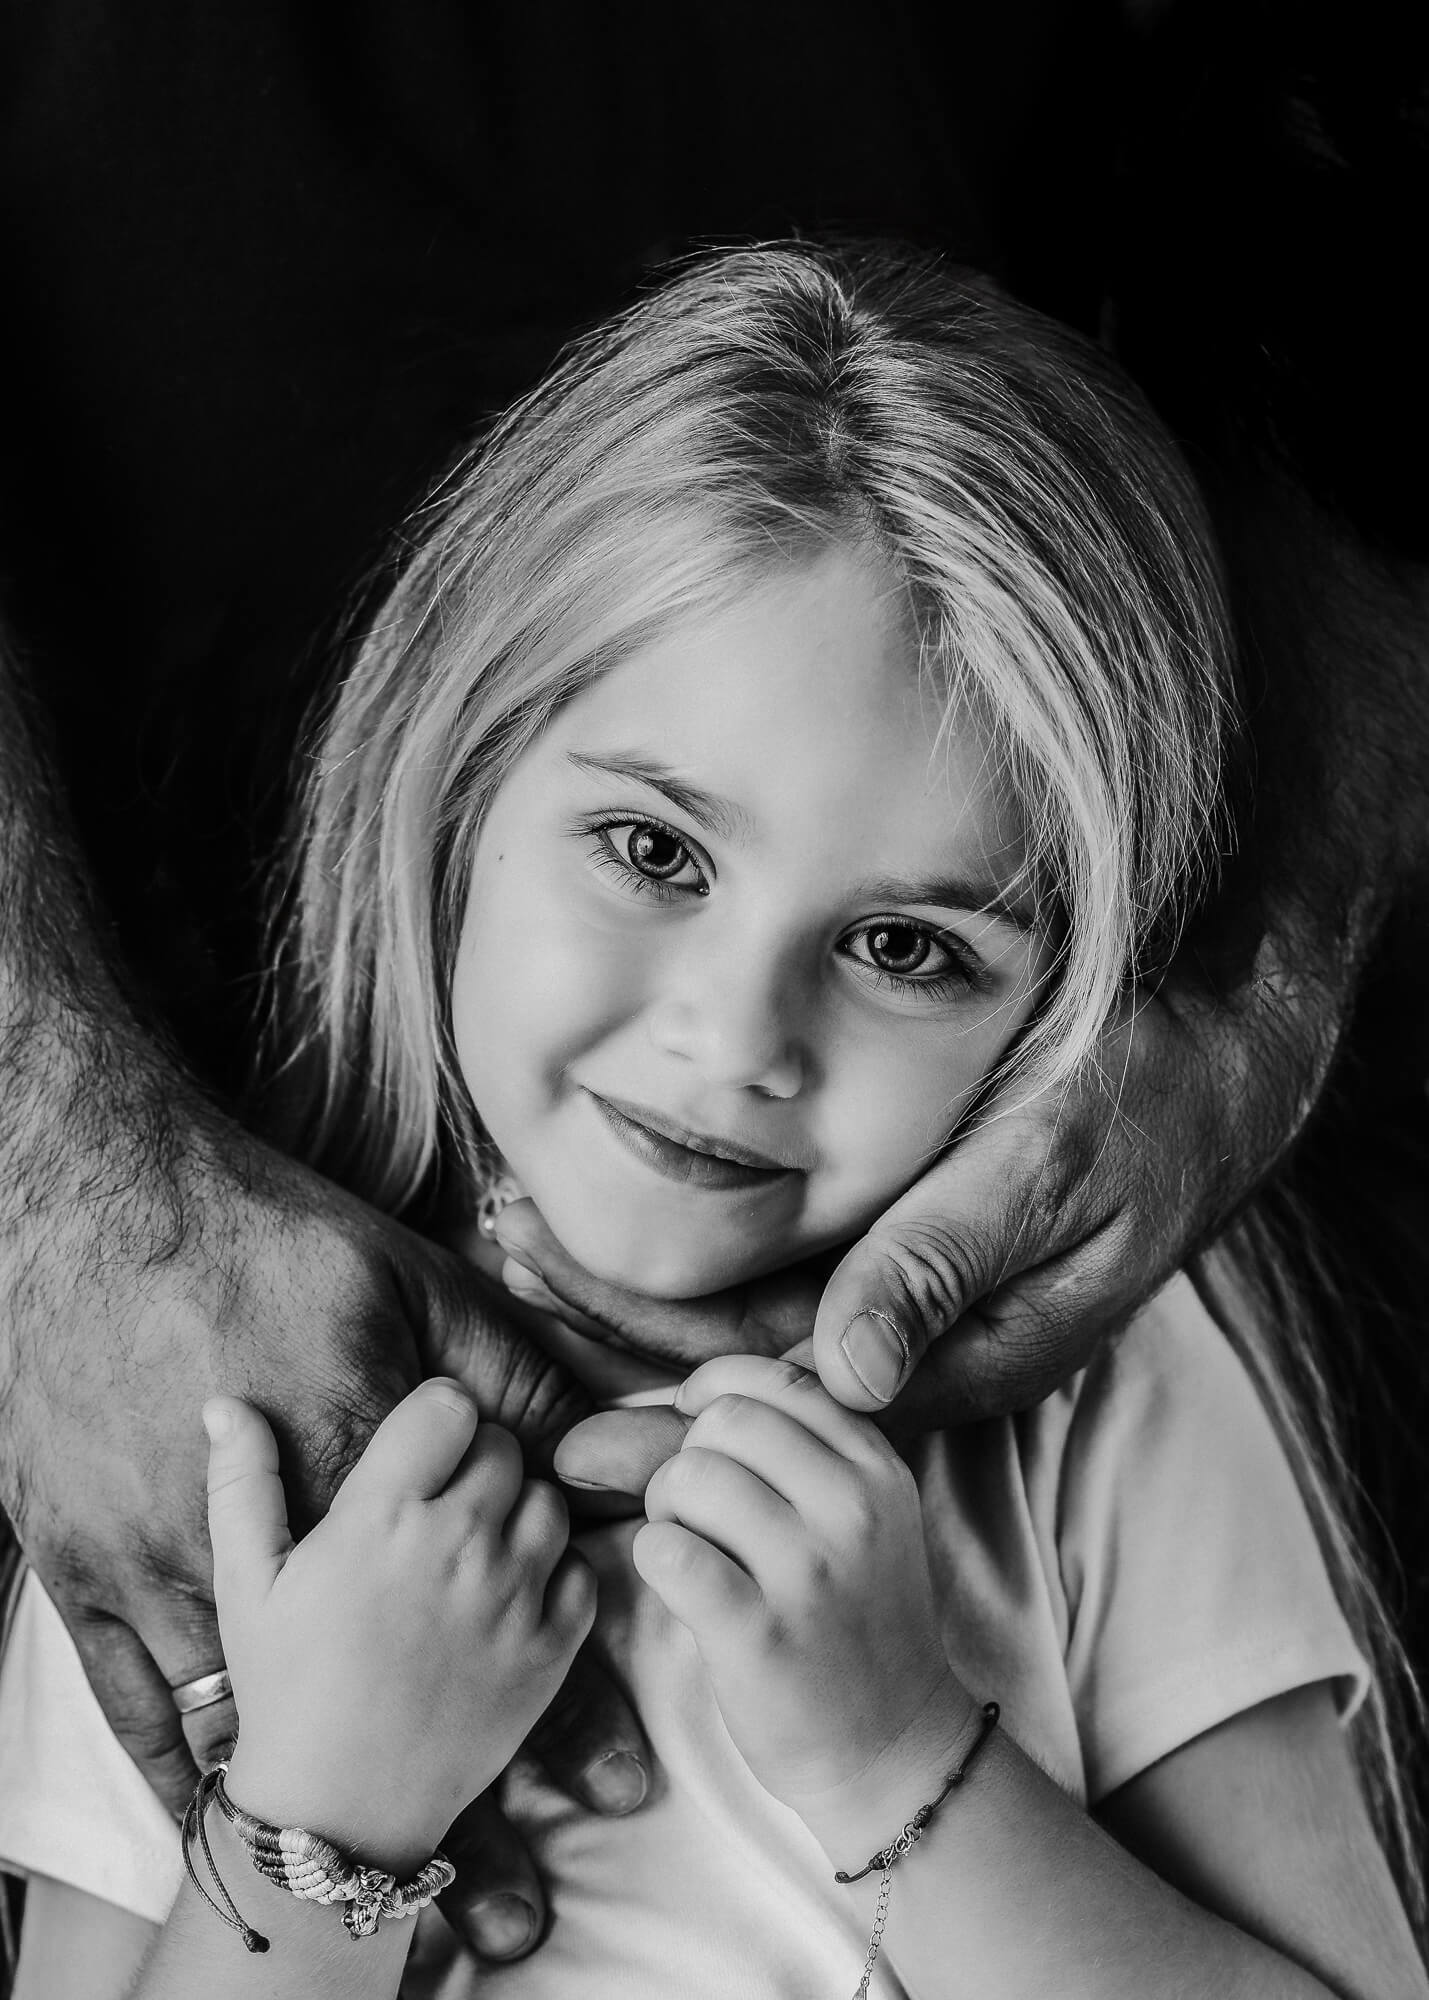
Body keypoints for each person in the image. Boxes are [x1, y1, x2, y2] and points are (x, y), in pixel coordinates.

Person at [1, 242, 1422, 1999]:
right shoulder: (216, 1425)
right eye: (654, 852)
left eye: (906, 946)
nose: (737, 1039)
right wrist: (326, 1825)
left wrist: (900, 1753)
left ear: (1066, 998)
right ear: (457, 782)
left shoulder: (1099, 1399)